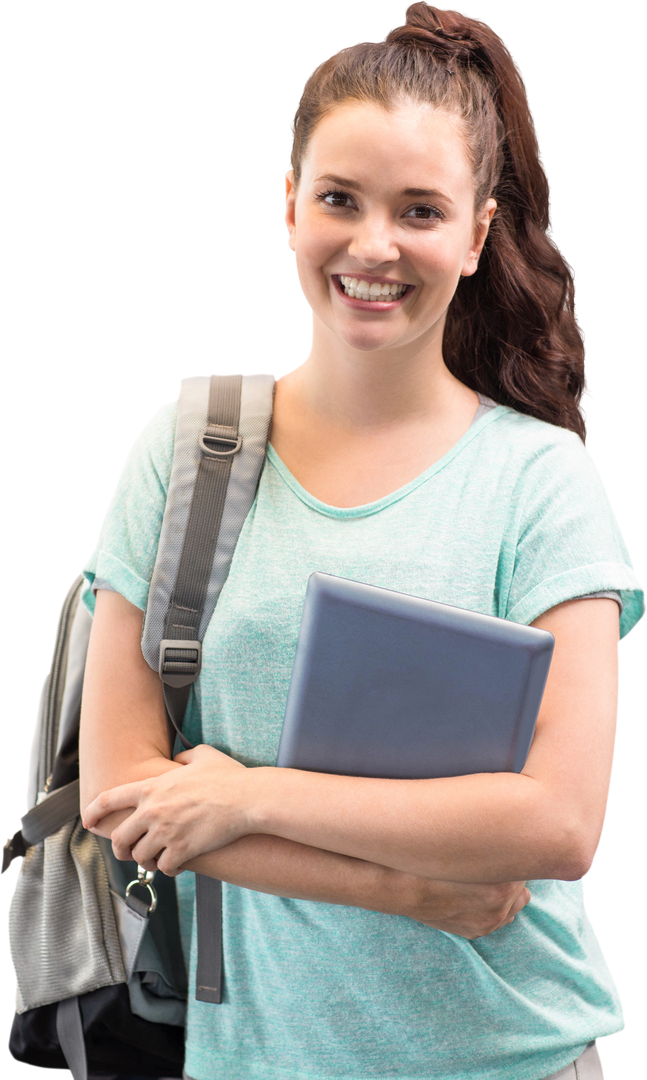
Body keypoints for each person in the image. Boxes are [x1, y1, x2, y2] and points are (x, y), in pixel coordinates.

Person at [79, 3, 645, 1078]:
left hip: (511, 1058)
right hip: (254, 1059)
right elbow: (120, 790)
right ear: (288, 206)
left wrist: (243, 795)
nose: (372, 245)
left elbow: (560, 823)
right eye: (339, 199)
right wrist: (410, 886)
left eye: (419, 210)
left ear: (475, 235)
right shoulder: (182, 451)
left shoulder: (541, 482)